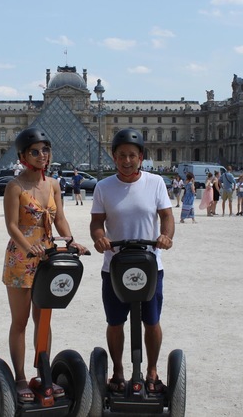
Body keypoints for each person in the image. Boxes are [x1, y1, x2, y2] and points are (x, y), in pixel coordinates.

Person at [1, 128, 87, 402]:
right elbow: (12, 226)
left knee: (44, 319)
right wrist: (30, 248)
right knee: (21, 320)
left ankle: (43, 374)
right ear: (23, 156)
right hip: (21, 259)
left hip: (48, 257)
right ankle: (20, 378)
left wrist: (71, 241)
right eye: (35, 151)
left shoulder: (53, 184)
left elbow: (59, 218)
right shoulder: (15, 186)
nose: (42, 155)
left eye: (45, 150)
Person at [90, 128, 174, 395]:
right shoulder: (103, 187)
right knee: (115, 322)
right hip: (114, 265)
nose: (127, 160)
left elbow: (167, 217)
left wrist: (166, 236)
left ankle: (152, 370)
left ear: (141, 157)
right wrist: (100, 238)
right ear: (114, 157)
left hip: (150, 264)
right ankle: (117, 371)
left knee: (152, 321)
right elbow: (96, 223)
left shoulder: (156, 182)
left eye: (132, 155)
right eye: (121, 155)